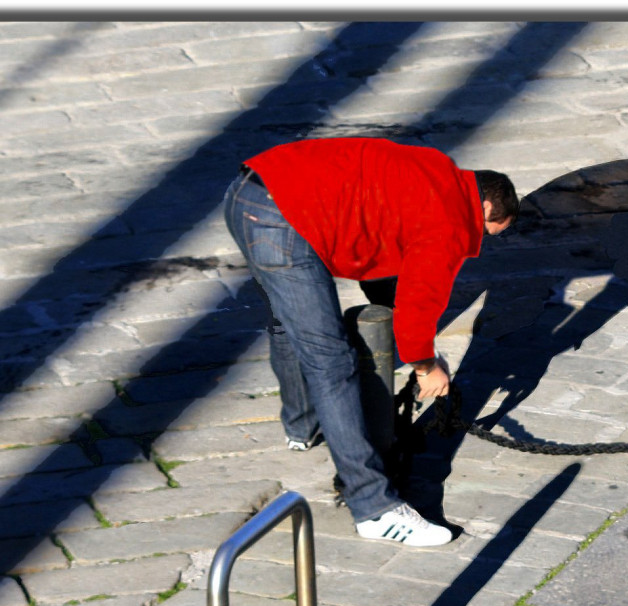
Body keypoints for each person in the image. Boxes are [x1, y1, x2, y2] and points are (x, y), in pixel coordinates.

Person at [222, 137, 518, 547]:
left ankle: (303, 427)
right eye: (488, 232)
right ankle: (374, 508)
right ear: (484, 207)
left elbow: (377, 238)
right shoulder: (451, 220)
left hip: (247, 191)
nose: (480, 243)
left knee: (288, 321)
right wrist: (425, 365)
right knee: (332, 362)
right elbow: (418, 298)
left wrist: (408, 334)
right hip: (282, 221)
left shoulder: (436, 171)